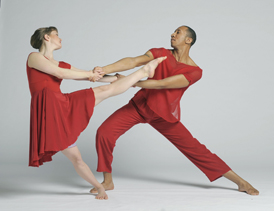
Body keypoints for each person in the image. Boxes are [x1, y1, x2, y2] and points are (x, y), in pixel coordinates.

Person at [90, 26, 259, 196]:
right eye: (173, 31)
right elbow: (133, 61)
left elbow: (163, 84)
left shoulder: (195, 71)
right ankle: (108, 181)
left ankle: (241, 182)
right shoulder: (160, 53)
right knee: (104, 133)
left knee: (197, 150)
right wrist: (104, 70)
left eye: (178, 32)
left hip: (164, 115)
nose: (172, 34)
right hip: (139, 106)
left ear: (188, 40)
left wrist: (130, 81)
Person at [27, 26, 166, 200]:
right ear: (47, 37)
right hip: (50, 112)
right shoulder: (34, 58)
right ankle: (100, 187)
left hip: (62, 104)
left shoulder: (60, 63)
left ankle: (143, 72)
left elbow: (86, 76)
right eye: (57, 35)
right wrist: (90, 74)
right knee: (76, 159)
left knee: (106, 89)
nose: (60, 38)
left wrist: (116, 78)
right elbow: (59, 73)